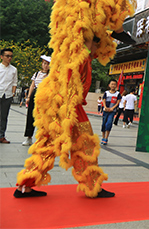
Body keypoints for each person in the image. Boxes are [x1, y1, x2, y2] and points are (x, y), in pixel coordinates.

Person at [15, 37, 114, 198]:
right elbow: (86, 44)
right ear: (90, 43)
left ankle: (24, 185)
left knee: (48, 144)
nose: (99, 50)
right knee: (85, 145)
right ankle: (93, 186)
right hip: (69, 107)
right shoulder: (80, 56)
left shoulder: (80, 57)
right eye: (97, 44)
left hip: (60, 105)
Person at [22, 55, 51, 146]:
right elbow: (32, 85)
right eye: (44, 63)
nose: (46, 66)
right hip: (35, 94)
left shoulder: (51, 75)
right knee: (31, 116)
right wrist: (28, 97)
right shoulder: (36, 74)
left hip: (45, 96)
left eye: (48, 64)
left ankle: (42, 138)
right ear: (42, 64)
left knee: (43, 118)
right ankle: (29, 137)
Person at [0, 48, 17, 144]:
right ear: (2, 57)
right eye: (7, 56)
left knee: (4, 116)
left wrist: (13, 93)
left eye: (11, 56)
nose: (9, 58)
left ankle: (1, 136)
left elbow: (14, 82)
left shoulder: (14, 69)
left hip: (8, 95)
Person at [101, 79, 121, 145]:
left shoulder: (117, 94)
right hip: (105, 111)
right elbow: (103, 100)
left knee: (109, 123)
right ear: (109, 85)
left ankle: (106, 138)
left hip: (112, 111)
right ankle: (103, 137)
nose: (113, 85)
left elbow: (118, 102)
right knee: (104, 124)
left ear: (116, 86)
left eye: (114, 84)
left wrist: (112, 108)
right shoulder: (106, 93)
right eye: (112, 84)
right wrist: (105, 107)